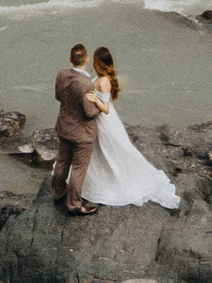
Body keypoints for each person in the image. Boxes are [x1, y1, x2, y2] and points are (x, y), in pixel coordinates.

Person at [74, 46, 180, 211]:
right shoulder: (102, 77)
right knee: (101, 151)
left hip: (104, 120)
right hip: (98, 120)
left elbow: (106, 108)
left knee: (111, 150)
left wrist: (94, 99)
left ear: (98, 62)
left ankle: (113, 181)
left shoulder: (104, 81)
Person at [49, 42, 99, 214]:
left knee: (62, 161)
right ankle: (74, 205)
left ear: (70, 59)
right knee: (78, 169)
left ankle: (58, 192)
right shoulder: (86, 84)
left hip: (64, 127)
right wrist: (100, 106)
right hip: (82, 134)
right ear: (87, 59)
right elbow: (89, 112)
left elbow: (58, 96)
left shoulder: (62, 74)